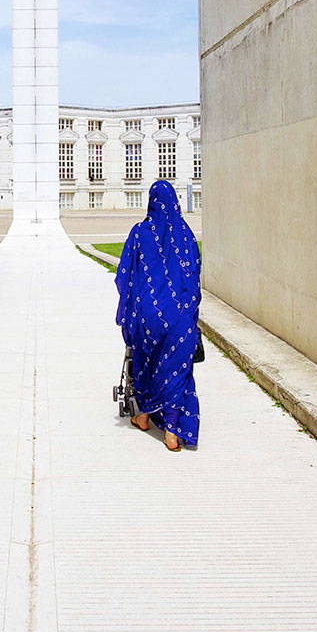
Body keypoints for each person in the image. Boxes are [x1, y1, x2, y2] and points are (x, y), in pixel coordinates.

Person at [114, 179, 201, 450]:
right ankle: (173, 434)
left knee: (144, 362)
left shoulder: (140, 232)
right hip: (179, 317)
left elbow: (124, 275)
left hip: (148, 315)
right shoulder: (185, 234)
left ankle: (142, 416)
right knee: (176, 370)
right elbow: (194, 274)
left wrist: (133, 307)